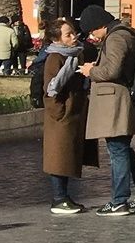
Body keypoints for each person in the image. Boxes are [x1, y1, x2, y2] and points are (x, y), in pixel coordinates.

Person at [76, 5, 135, 217]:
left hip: (116, 102)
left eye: (93, 31)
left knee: (118, 152)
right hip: (121, 101)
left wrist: (90, 70)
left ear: (100, 25)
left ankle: (119, 201)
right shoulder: (123, 34)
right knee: (123, 151)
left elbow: (113, 70)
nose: (92, 36)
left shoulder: (115, 37)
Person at [37, 15, 95, 215]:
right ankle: (59, 198)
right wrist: (60, 112)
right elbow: (51, 88)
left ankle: (64, 196)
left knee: (67, 155)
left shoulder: (75, 54)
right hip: (61, 117)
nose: (73, 37)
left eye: (73, 33)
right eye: (68, 34)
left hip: (72, 114)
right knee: (59, 157)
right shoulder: (56, 57)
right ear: (57, 39)